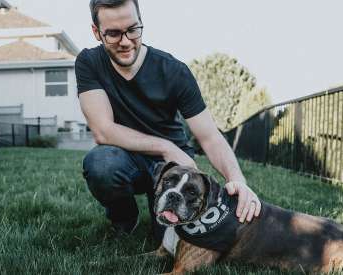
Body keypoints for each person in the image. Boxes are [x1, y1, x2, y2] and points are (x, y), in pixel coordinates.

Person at [75, 0, 261, 241]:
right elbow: (103, 130)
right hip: (125, 158)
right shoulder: (89, 62)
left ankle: (162, 217)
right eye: (113, 33)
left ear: (141, 22)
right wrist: (166, 147)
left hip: (175, 166)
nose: (125, 41)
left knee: (168, 242)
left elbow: (210, 136)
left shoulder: (174, 71)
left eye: (133, 29)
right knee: (100, 164)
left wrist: (237, 180)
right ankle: (124, 217)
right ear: (96, 32)